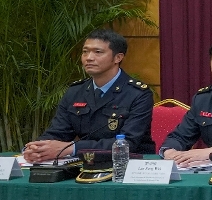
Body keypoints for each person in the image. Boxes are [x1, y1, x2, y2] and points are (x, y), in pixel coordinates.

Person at [24, 29, 154, 161]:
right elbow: (58, 132)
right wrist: (37, 148)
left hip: (130, 164)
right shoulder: (75, 91)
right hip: (84, 164)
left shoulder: (138, 94)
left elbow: (128, 143)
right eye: (85, 52)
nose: (89, 58)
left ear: (118, 58)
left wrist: (72, 148)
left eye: (98, 52)